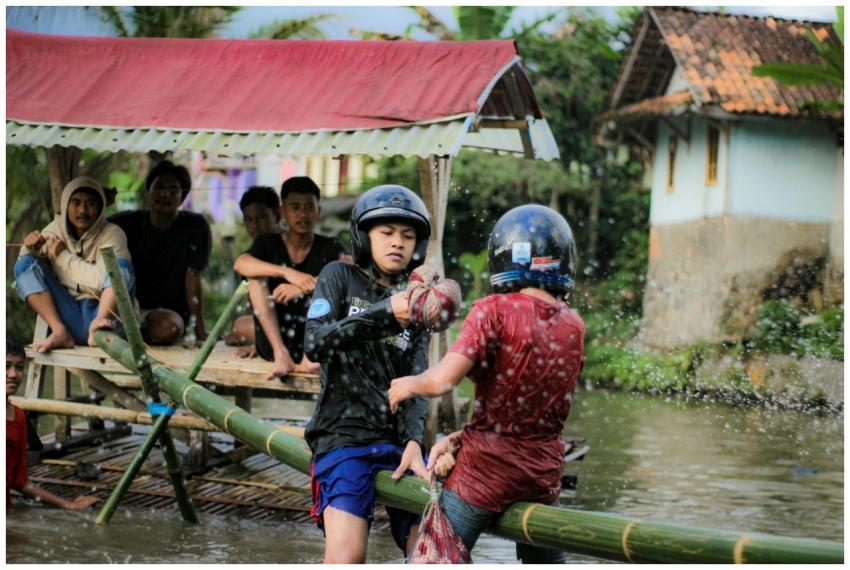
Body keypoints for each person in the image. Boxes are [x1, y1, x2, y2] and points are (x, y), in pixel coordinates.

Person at [388, 204, 585, 564]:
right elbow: (526, 410)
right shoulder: (574, 324)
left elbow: (443, 381)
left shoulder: (493, 309)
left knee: (433, 559)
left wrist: (410, 384)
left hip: (485, 475)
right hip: (543, 475)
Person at [302, 184, 434, 563]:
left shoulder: (416, 303)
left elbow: (417, 380)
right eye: (387, 233)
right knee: (348, 556)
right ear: (364, 236)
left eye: (408, 236)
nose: (398, 243)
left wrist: (413, 441)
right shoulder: (338, 277)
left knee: (429, 553)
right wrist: (385, 315)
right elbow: (315, 343)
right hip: (343, 441)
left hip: (398, 447)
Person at [233, 176, 347, 377]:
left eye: (309, 207)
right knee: (255, 279)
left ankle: (308, 356)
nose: (302, 214)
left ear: (318, 211)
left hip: (314, 345)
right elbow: (241, 264)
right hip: (276, 342)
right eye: (295, 207)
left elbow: (353, 271)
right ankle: (281, 355)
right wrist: (288, 273)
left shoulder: (330, 246)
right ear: (282, 212)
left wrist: (303, 287)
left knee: (338, 279)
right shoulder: (267, 243)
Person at [15, 176, 134, 352]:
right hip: (70, 316)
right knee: (24, 265)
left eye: (91, 203)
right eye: (76, 203)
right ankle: (59, 331)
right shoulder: (55, 229)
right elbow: (23, 272)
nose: (82, 210)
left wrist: (62, 256)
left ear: (101, 207)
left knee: (121, 267)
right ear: (65, 205)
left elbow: (102, 281)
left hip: (107, 320)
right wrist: (32, 249)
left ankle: (97, 328)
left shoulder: (113, 234)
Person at [109, 160, 211, 345]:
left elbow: (193, 278)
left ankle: (128, 334)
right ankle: (123, 330)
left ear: (182, 197)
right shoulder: (125, 223)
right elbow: (91, 231)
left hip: (169, 316)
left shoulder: (195, 227)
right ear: (148, 191)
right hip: (128, 308)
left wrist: (199, 329)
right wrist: (102, 200)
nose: (165, 194)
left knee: (169, 328)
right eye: (159, 187)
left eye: (173, 189)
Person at [6, 335, 98, 510]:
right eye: (6, 366)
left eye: (19, 367)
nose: (13, 374)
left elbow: (20, 481)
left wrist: (69, 505)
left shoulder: (18, 417)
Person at [225, 186, 282, 351]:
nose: (255, 225)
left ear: (277, 216)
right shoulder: (250, 258)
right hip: (272, 319)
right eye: (248, 219)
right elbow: (255, 302)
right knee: (240, 324)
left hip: (292, 319)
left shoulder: (287, 246)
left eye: (262, 217)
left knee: (240, 326)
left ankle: (264, 344)